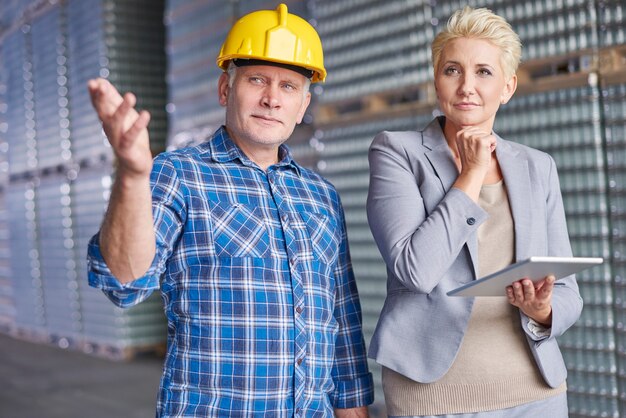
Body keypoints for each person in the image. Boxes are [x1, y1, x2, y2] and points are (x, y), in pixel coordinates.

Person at [86, 4, 373, 417]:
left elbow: (342, 324)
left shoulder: (321, 196)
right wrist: (132, 174)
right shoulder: (179, 174)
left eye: (289, 87)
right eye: (257, 80)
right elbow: (124, 282)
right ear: (225, 89)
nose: (272, 99)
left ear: (304, 104)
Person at [366, 6, 582, 418]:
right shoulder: (397, 152)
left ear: (508, 87)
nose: (467, 85)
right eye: (452, 70)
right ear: (436, 80)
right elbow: (415, 271)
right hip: (432, 395)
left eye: (484, 72)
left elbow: (569, 293)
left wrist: (543, 311)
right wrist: (471, 173)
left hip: (535, 390)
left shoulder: (538, 166)